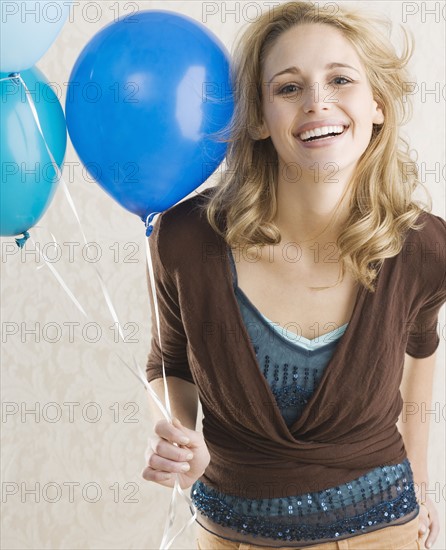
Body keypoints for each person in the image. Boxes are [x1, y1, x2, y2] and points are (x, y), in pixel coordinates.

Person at [141, 1, 445, 549]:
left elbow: (420, 355)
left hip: (385, 533)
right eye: (288, 88)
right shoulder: (186, 238)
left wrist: (422, 488)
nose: (317, 102)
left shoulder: (423, 244)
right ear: (257, 117)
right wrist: (180, 433)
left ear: (376, 103)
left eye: (340, 79)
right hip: (232, 536)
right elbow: (169, 361)